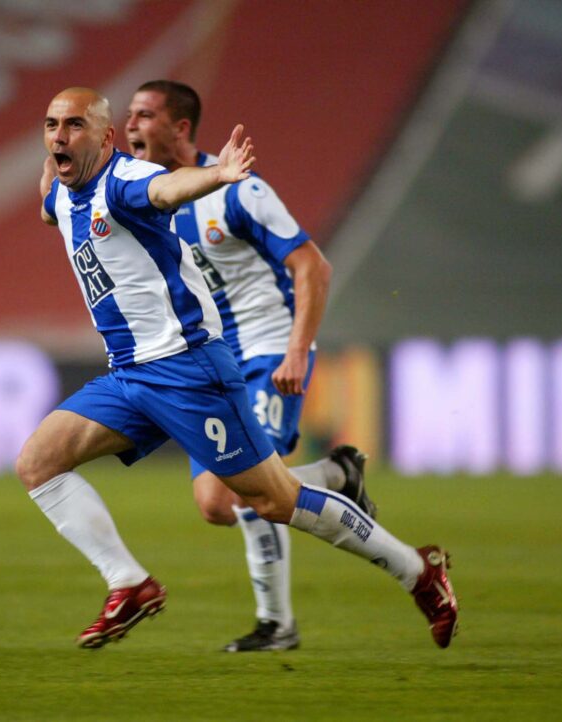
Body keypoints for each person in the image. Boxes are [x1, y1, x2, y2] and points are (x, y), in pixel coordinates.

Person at [18, 86, 458, 651]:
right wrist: (55, 166)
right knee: (39, 463)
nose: (59, 135)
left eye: (74, 126)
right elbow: (50, 205)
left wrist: (216, 176)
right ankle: (128, 583)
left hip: (187, 370)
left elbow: (164, 188)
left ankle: (418, 573)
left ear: (105, 140)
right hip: (129, 376)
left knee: (273, 500)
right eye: (52, 125)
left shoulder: (126, 183)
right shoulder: (63, 193)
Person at [124, 79, 375, 652]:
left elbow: (313, 268)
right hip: (212, 366)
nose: (131, 126)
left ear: (180, 128)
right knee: (216, 503)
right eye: (128, 116)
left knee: (247, 493)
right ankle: (338, 476)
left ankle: (276, 625)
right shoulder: (146, 200)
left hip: (267, 352)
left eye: (143, 115)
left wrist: (295, 348)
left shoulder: (240, 191)